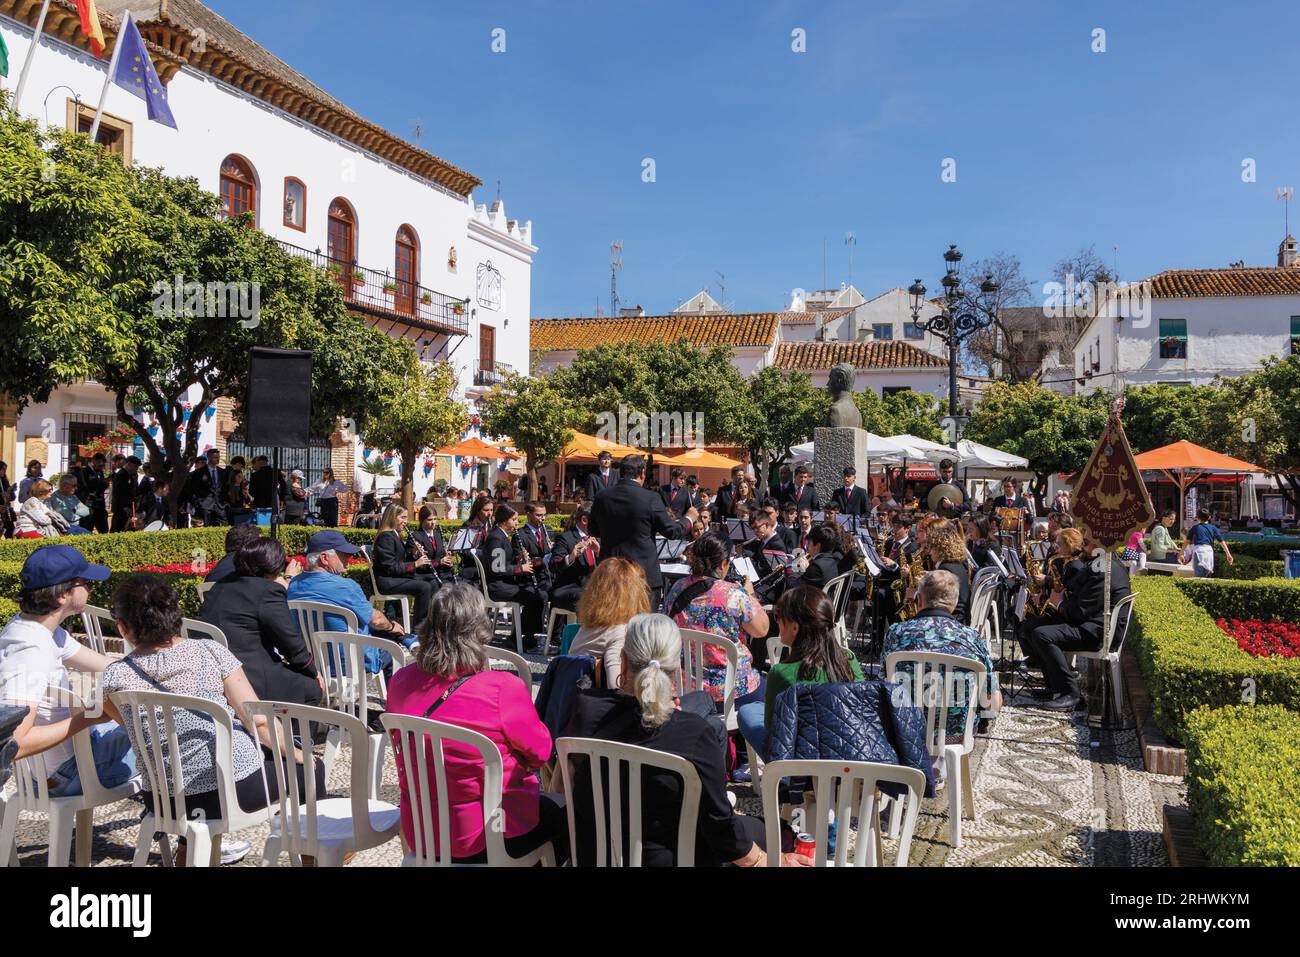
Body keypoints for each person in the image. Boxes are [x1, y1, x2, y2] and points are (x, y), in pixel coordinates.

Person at [101, 574, 322, 866]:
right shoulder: (210, 652)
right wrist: (299, 755)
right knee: (309, 770)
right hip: (230, 794)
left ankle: (188, 849)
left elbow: (134, 728)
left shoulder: (115, 676)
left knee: (183, 757)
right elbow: (258, 722)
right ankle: (314, 856)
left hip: (162, 799)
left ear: (124, 628)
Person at [563, 613, 810, 867]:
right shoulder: (694, 734)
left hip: (596, 855)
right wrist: (768, 860)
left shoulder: (585, 712)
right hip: (672, 858)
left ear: (623, 662)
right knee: (771, 831)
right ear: (676, 668)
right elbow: (721, 827)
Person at [385, 584, 566, 863]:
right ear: (481, 633)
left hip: (421, 830)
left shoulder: (399, 682)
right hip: (488, 836)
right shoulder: (502, 688)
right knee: (565, 813)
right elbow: (541, 752)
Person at [1, 546, 134, 799]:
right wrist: (89, 717)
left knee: (151, 728)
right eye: (87, 583)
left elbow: (108, 666)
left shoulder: (37, 628)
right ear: (63, 595)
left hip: (71, 757)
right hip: (64, 775)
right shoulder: (32, 651)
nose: (91, 589)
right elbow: (15, 743)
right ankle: (183, 827)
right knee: (168, 741)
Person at [663, 532, 768, 780]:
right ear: (722, 564)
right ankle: (745, 756)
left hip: (687, 685)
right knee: (766, 689)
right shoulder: (733, 594)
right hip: (729, 690)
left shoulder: (677, 588)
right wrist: (750, 594)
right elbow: (761, 629)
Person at [883, 570, 1001, 764]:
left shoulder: (896, 632)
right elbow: (993, 704)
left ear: (919, 599)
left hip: (905, 730)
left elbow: (885, 682)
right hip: (954, 736)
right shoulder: (971, 637)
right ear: (954, 603)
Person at [736, 585, 864, 761]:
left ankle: (784, 780)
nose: (777, 622)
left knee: (747, 712)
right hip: (849, 755)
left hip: (801, 766)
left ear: (795, 628)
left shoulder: (780, 672)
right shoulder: (848, 660)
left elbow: (772, 728)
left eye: (778, 617)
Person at [200, 536, 323, 706]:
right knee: (312, 689)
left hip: (212, 672)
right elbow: (291, 645)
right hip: (251, 676)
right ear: (274, 564)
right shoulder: (268, 591)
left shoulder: (220, 585)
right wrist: (313, 671)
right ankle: (289, 733)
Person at [1020, 528, 1123, 711]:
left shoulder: (1102, 568)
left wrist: (1059, 604)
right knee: (1030, 626)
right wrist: (1052, 587)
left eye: (1086, 542)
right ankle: (1054, 686)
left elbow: (1080, 611)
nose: (1083, 546)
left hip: (1098, 632)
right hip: (1091, 623)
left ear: (1099, 544)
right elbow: (1075, 587)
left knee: (1042, 634)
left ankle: (1071, 693)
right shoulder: (1099, 563)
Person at [287, 530, 414, 674]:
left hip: (312, 663)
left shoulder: (293, 585)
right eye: (343, 555)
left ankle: (408, 640)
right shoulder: (345, 586)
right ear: (324, 558)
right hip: (351, 663)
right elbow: (376, 620)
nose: (348, 560)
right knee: (393, 650)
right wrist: (391, 626)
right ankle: (394, 695)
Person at [588, 454, 696, 609]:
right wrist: (689, 519)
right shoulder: (650, 497)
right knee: (642, 628)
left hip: (611, 573)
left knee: (612, 625)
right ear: (642, 473)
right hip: (643, 575)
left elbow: (593, 530)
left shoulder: (602, 497)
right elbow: (671, 532)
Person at [567, 556, 652, 688]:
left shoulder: (588, 628)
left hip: (571, 698)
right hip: (594, 703)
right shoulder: (620, 633)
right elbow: (615, 686)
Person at [479, 504, 547, 650]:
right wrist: (520, 568)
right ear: (504, 520)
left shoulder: (502, 535)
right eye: (514, 519)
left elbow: (504, 562)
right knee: (536, 597)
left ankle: (525, 637)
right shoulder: (496, 538)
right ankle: (518, 639)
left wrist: (520, 559)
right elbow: (497, 569)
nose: (517, 523)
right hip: (497, 587)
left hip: (504, 583)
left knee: (537, 594)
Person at [373, 504, 436, 628]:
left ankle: (431, 623)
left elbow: (400, 559)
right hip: (387, 581)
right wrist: (415, 564)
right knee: (424, 587)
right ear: (392, 518)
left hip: (395, 578)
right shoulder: (386, 537)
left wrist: (413, 553)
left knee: (431, 581)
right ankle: (419, 629)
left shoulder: (396, 534)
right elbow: (390, 567)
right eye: (402, 518)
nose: (405, 522)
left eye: (406, 518)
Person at [548, 503, 599, 611]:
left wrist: (599, 552)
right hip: (569, 587)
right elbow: (553, 566)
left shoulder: (598, 537)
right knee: (588, 596)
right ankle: (584, 628)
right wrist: (571, 557)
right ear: (585, 520)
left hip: (593, 586)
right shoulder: (566, 538)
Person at [925, 521, 972, 625]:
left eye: (932, 547)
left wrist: (915, 593)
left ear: (940, 548)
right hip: (959, 616)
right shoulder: (956, 563)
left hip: (953, 620)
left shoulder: (946, 568)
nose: (929, 552)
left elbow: (938, 601)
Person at [408, 504, 456, 585]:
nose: (433, 522)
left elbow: (441, 555)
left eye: (435, 519)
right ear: (422, 520)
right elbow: (422, 565)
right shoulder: (415, 536)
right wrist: (440, 562)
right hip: (425, 575)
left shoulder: (438, 535)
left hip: (441, 573)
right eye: (429, 519)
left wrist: (447, 556)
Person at [455, 495, 495, 586]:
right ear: (477, 511)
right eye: (486, 510)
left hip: (489, 566)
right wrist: (483, 554)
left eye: (491, 510)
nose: (489, 513)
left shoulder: (491, 525)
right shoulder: (468, 525)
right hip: (471, 566)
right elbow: (462, 551)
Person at [516, 502, 554, 595]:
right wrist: (542, 560)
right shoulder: (520, 535)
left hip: (548, 576)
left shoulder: (548, 530)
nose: (543, 518)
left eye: (544, 515)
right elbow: (519, 562)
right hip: (531, 579)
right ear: (529, 515)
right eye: (539, 515)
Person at [185, 448, 229, 527]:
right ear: (209, 458)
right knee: (207, 525)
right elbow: (194, 489)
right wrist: (199, 503)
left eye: (218, 457)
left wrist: (224, 502)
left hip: (220, 505)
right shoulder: (199, 472)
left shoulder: (223, 472)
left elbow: (225, 488)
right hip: (205, 505)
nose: (218, 459)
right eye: (215, 457)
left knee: (224, 524)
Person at [1185, 508, 1234, 577]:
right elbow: (1221, 541)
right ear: (1209, 517)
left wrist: (1181, 553)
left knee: (1198, 577)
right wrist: (1228, 554)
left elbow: (1187, 541)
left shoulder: (1195, 527)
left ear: (1197, 517)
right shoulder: (1213, 528)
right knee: (1207, 576)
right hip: (1209, 552)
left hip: (1198, 552)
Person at [108, 455, 142, 532]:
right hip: (121, 510)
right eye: (136, 466)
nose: (136, 469)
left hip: (129, 509)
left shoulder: (130, 475)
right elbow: (118, 494)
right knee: (117, 530)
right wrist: (125, 507)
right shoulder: (121, 475)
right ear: (129, 464)